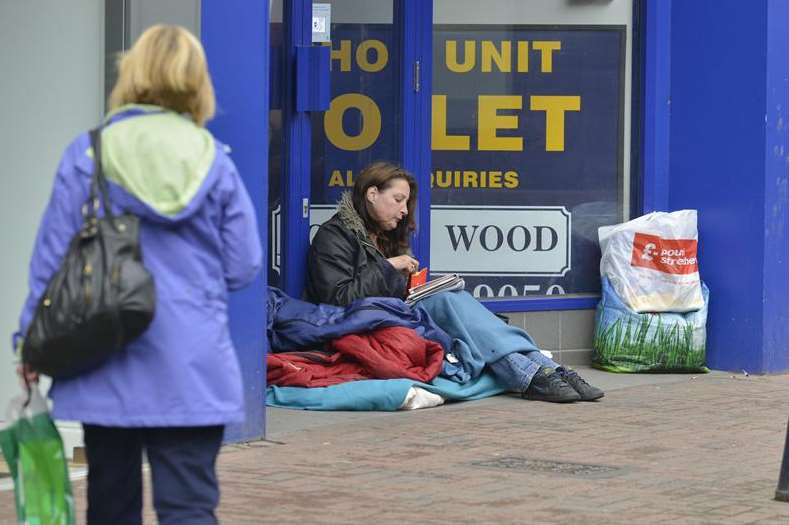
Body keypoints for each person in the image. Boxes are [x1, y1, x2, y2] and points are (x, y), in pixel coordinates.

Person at [14, 25, 262, 524]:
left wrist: (29, 342)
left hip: (104, 357)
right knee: (190, 507)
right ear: (197, 83)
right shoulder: (213, 160)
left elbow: (50, 262)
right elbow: (244, 264)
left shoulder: (87, 155)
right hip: (191, 364)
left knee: (111, 504)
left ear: (131, 72)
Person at [307, 161, 603, 403]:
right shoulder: (334, 236)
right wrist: (388, 267)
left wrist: (411, 282)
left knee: (455, 297)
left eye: (407, 203)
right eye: (398, 200)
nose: (404, 211)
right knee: (448, 301)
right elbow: (339, 298)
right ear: (371, 194)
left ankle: (549, 370)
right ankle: (533, 374)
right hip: (361, 324)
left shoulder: (383, 234)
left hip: (392, 313)